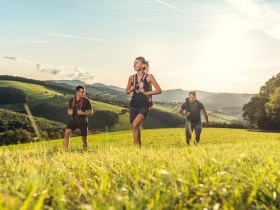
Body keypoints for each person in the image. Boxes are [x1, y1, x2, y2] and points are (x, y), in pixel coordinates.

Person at [125, 56, 162, 147]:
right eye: (134, 62)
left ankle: (136, 148)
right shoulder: (131, 78)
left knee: (135, 124)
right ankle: (138, 148)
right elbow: (126, 92)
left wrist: (146, 92)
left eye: (137, 62)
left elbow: (159, 90)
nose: (134, 64)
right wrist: (131, 89)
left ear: (143, 65)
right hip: (133, 105)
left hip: (145, 106)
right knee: (135, 127)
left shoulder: (149, 77)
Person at [63, 85, 93, 150]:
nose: (83, 93)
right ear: (77, 92)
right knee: (66, 133)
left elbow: (91, 112)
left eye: (83, 92)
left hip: (83, 121)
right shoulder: (71, 100)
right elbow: (69, 110)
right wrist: (69, 112)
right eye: (81, 92)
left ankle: (85, 151)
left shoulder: (86, 101)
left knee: (84, 139)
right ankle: (64, 151)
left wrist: (83, 113)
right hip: (74, 121)